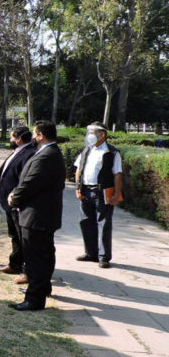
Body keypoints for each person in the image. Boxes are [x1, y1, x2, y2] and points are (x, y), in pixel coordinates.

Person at [7, 120, 66, 311]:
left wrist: (15, 197)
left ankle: (34, 299)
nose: (32, 137)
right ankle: (42, 289)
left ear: (40, 136)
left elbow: (31, 182)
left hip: (37, 215)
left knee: (36, 258)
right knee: (43, 255)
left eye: (34, 133)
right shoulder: (48, 152)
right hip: (40, 214)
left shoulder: (47, 155)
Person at [74, 122, 123, 268]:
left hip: (103, 192)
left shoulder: (112, 152)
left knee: (104, 223)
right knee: (86, 222)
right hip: (86, 191)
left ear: (102, 135)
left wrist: (116, 193)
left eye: (93, 133)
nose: (90, 135)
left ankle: (104, 257)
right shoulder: (86, 150)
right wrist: (78, 187)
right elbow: (78, 169)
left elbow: (118, 174)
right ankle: (90, 253)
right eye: (89, 132)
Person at [0, 126, 36, 283]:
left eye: (11, 137)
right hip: (9, 202)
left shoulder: (29, 154)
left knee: (23, 238)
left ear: (18, 139)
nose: (10, 140)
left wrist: (16, 197)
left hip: (17, 203)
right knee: (15, 236)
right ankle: (15, 264)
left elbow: (24, 180)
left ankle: (27, 271)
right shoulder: (19, 151)